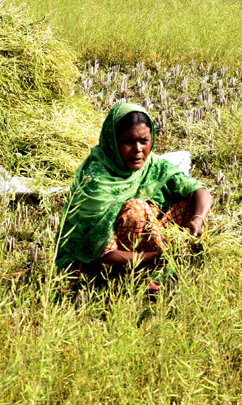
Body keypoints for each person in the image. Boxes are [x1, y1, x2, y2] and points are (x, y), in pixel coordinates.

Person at [55, 103, 212, 276]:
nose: (138, 150)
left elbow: (199, 191)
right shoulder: (95, 180)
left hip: (148, 251)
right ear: (113, 142)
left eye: (144, 141)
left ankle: (164, 269)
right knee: (136, 210)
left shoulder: (152, 165)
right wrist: (155, 258)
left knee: (192, 206)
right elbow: (102, 256)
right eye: (127, 142)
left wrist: (197, 220)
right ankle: (150, 275)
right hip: (96, 267)